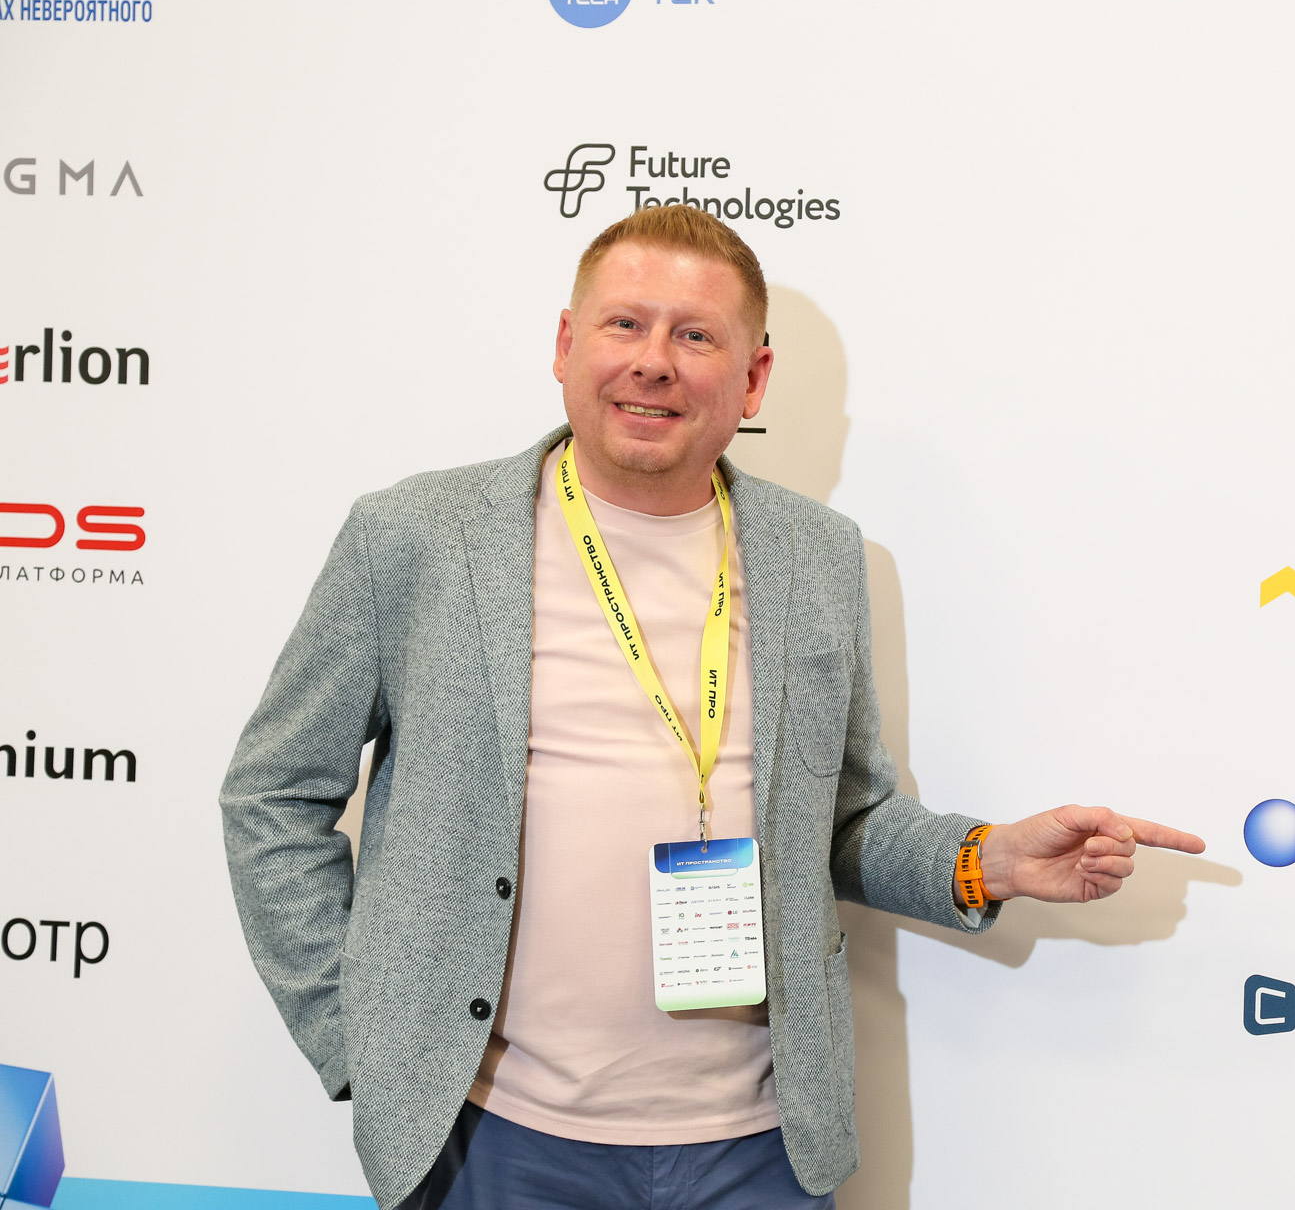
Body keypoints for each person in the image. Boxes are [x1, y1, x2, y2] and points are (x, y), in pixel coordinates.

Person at [219, 205, 1206, 1210]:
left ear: (753, 378)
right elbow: (273, 795)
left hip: (762, 1148)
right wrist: (359, 1034)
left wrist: (985, 859)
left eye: (696, 335)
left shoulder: (818, 555)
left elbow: (841, 819)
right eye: (625, 324)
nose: (654, 362)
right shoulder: (416, 538)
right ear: (566, 345)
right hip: (495, 1138)